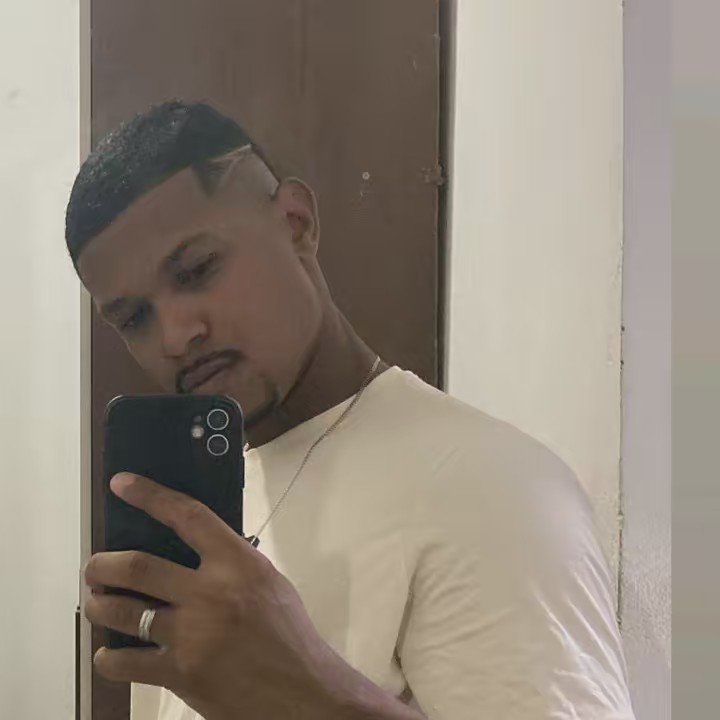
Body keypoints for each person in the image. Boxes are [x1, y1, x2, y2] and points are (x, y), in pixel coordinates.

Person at [67, 100, 636, 720]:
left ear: (296, 222)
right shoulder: (198, 509)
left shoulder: (494, 486)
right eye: (134, 317)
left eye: (198, 269)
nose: (176, 336)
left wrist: (309, 693)